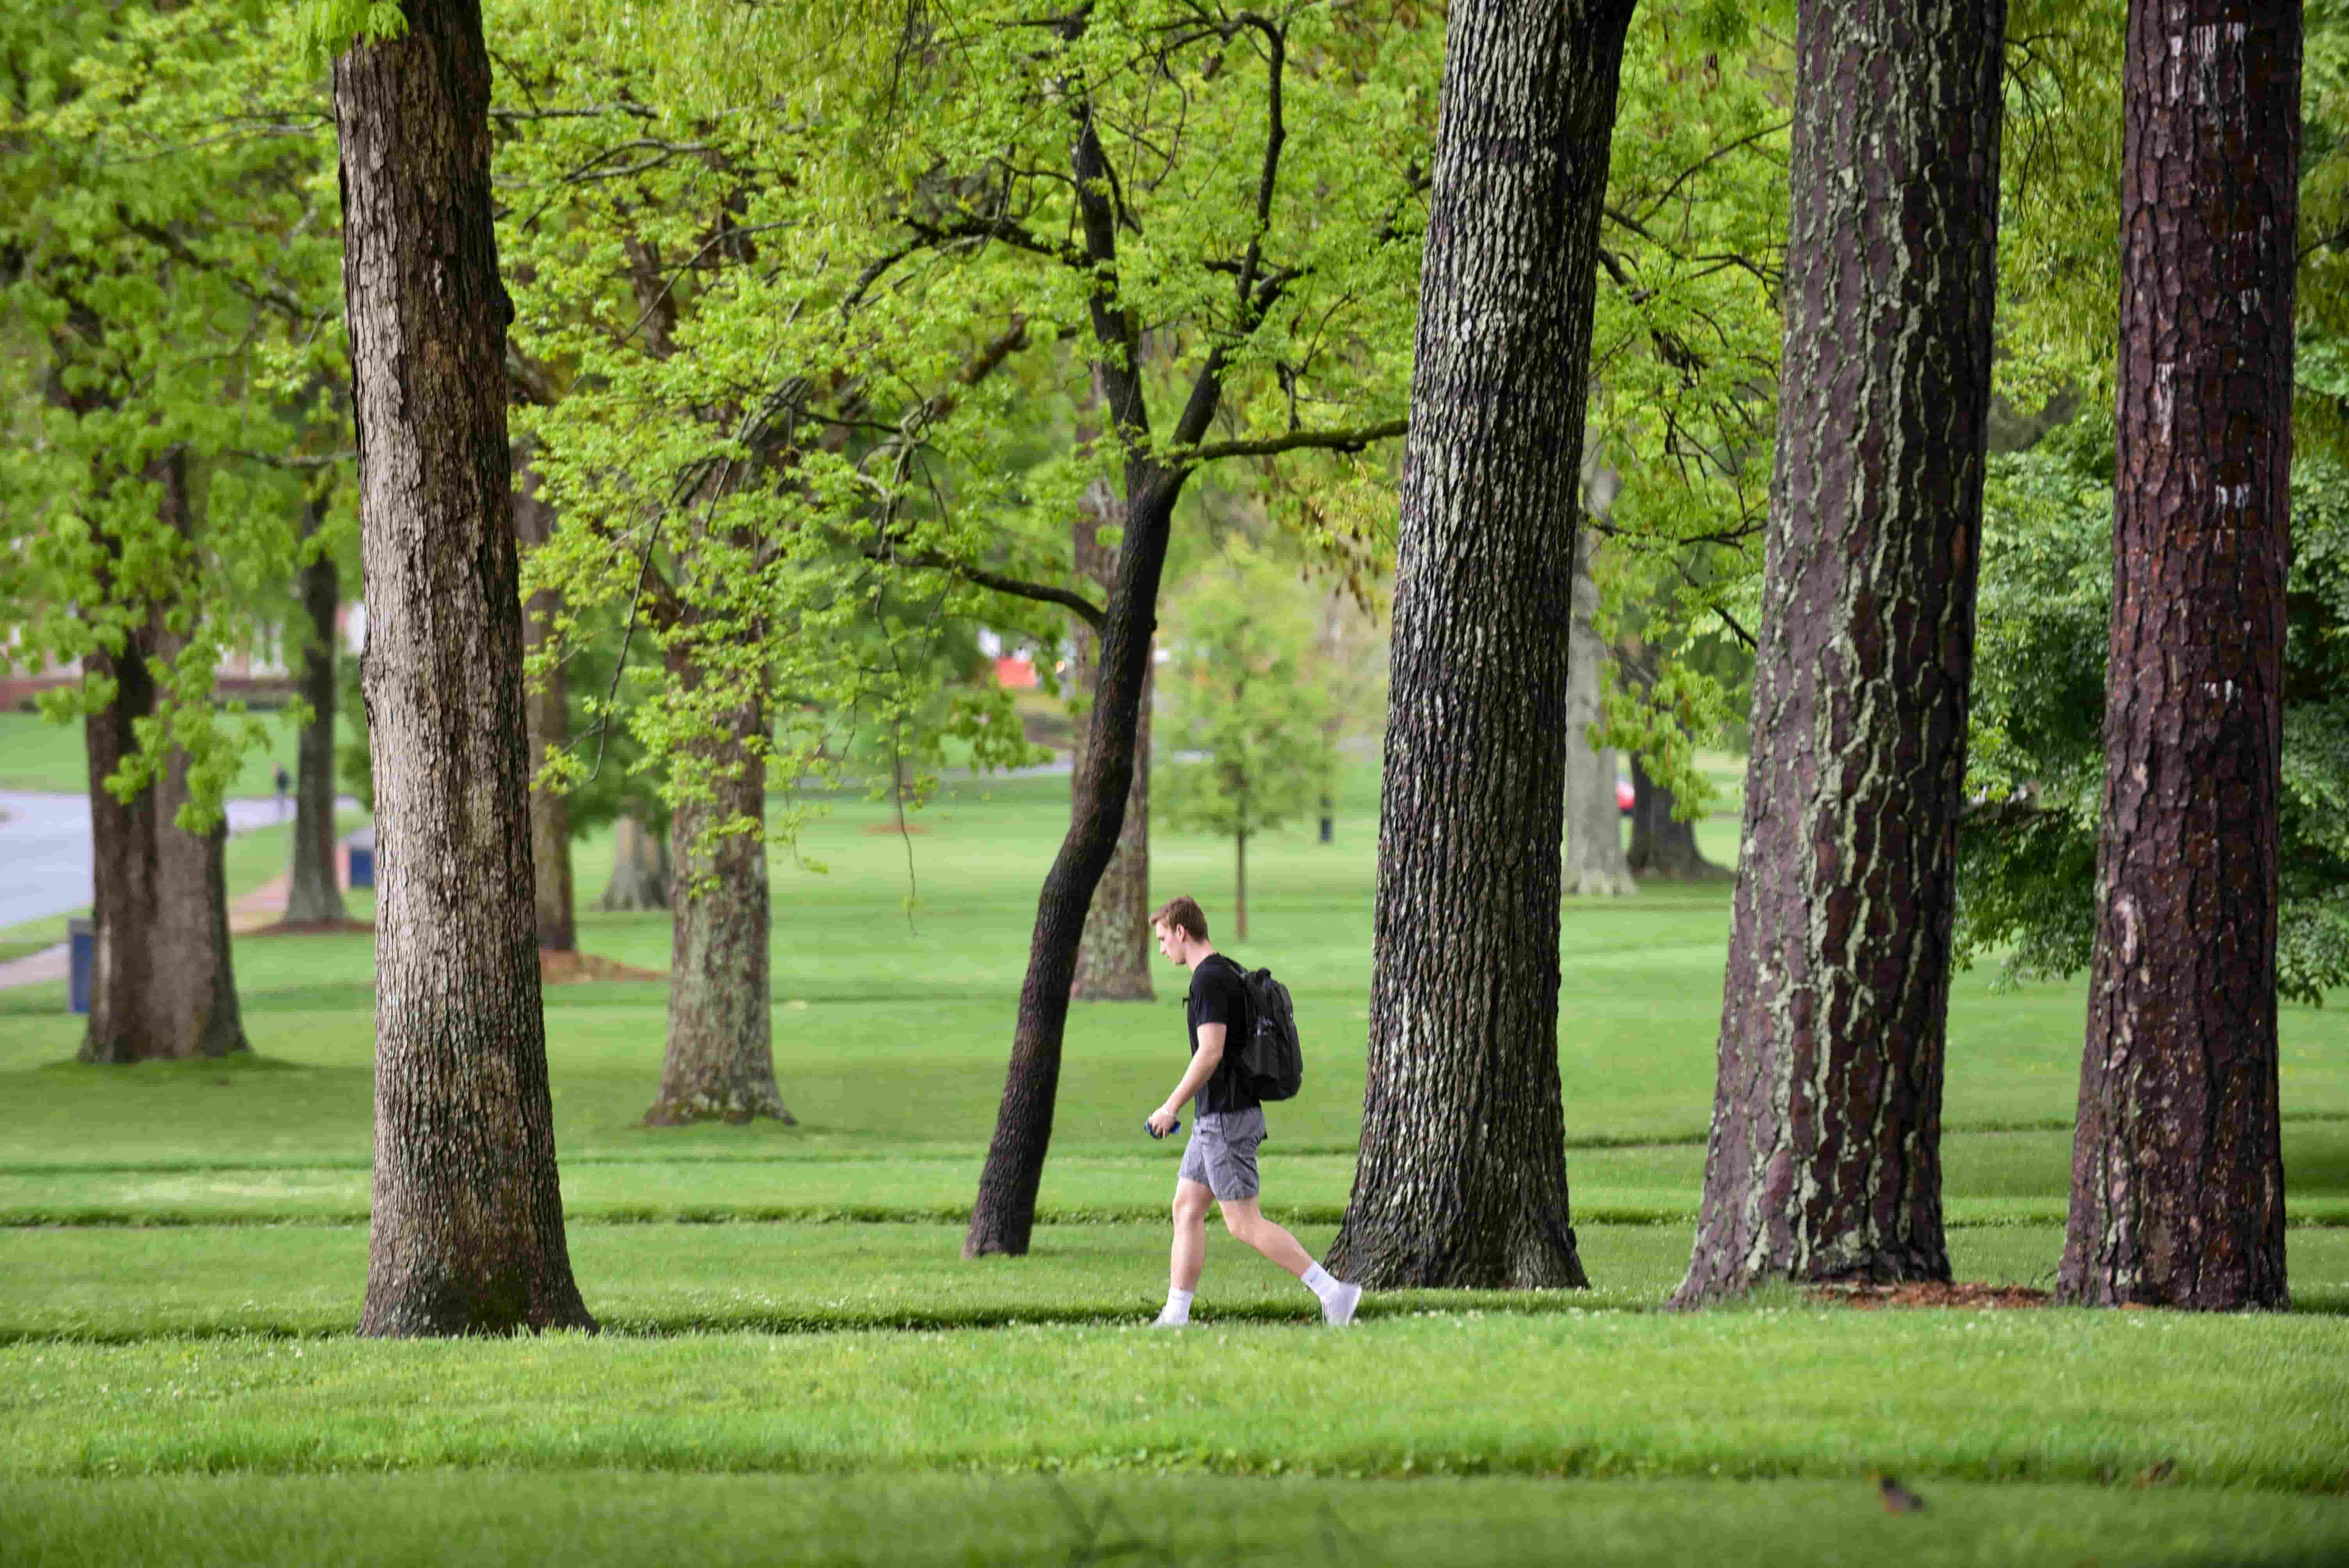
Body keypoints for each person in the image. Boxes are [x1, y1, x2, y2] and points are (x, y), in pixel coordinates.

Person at [1144, 895, 1361, 1328]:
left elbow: (1210, 1053)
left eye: (1164, 938)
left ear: (1182, 932)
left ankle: (1333, 1292)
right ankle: (1176, 1313)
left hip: (1225, 1118)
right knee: (1186, 1206)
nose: (1162, 948)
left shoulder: (1208, 981)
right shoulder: (1226, 969)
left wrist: (1170, 1106)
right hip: (1217, 1118)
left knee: (1243, 1222)